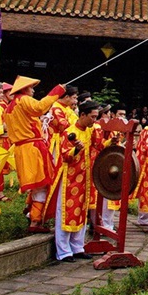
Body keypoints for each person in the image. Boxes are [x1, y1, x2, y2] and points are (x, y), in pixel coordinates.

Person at [4, 75, 66, 232]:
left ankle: (31, 212)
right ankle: (35, 221)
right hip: (32, 147)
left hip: (22, 148)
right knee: (41, 184)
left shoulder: (9, 107)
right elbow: (39, 107)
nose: (32, 91)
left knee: (36, 183)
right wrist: (57, 91)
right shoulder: (24, 100)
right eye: (31, 88)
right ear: (24, 89)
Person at [45, 99, 102, 262]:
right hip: (69, 178)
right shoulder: (68, 131)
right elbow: (65, 155)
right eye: (92, 117)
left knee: (82, 212)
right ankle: (63, 251)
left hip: (85, 178)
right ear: (82, 115)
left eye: (96, 117)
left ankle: (77, 247)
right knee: (65, 212)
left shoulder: (91, 131)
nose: (94, 120)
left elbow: (98, 148)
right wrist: (76, 148)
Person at [48, 86, 79, 160]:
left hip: (65, 139)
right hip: (56, 142)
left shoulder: (66, 108)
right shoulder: (56, 108)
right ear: (67, 97)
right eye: (74, 98)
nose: (76, 101)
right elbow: (64, 126)